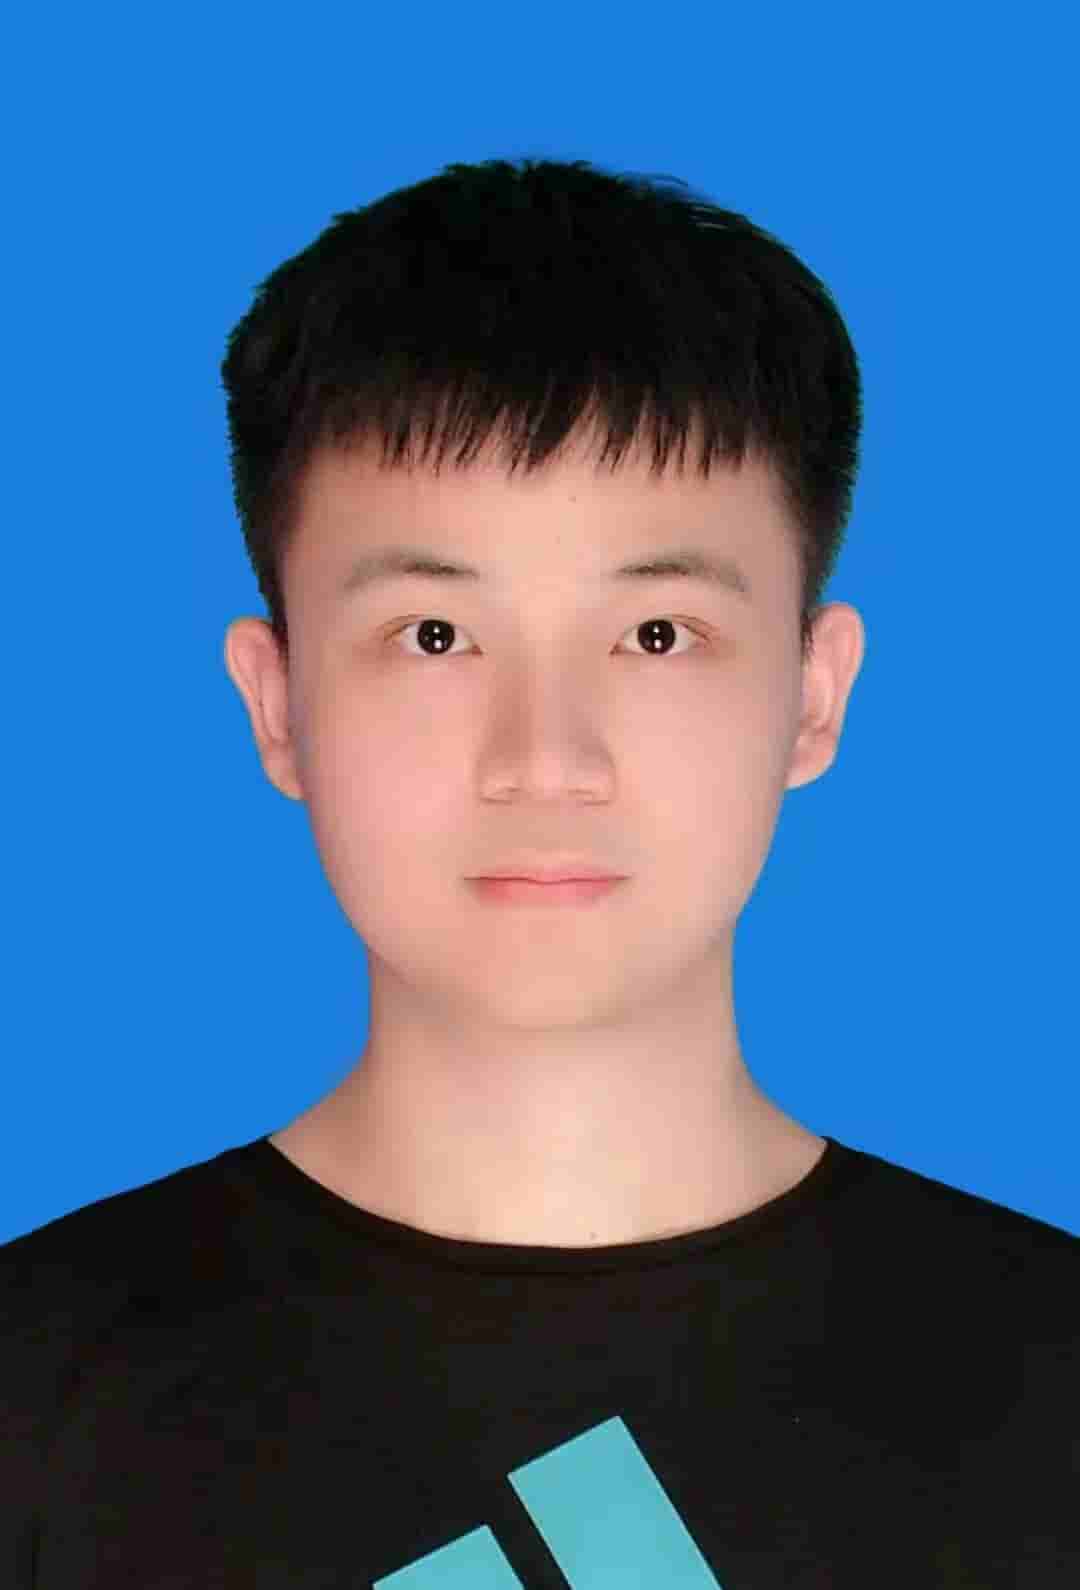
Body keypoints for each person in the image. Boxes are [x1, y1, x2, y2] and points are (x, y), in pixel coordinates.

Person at [3, 155, 1076, 1588]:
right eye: (434, 636)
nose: (545, 758)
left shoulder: (1051, 1382)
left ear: (813, 699)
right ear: (277, 707)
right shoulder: (36, 1393)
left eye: (657, 635)